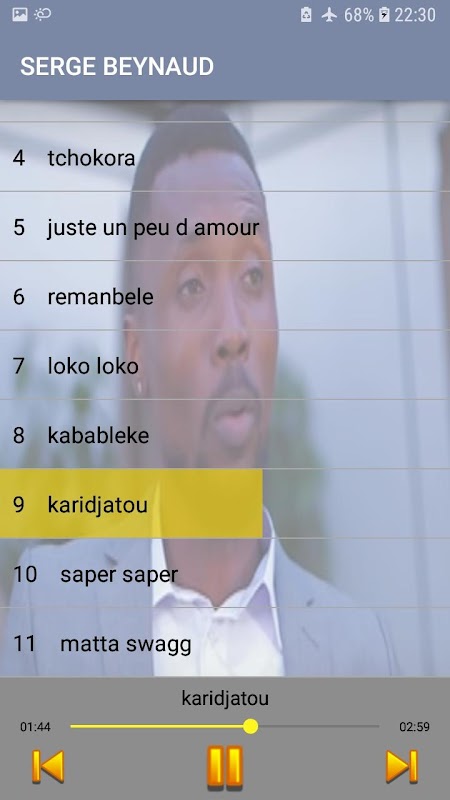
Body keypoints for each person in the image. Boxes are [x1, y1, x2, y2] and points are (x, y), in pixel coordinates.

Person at [0, 104, 397, 677]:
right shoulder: (51, 615)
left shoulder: (361, 650)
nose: (234, 332)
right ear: (136, 350)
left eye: (254, 276)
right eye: (191, 286)